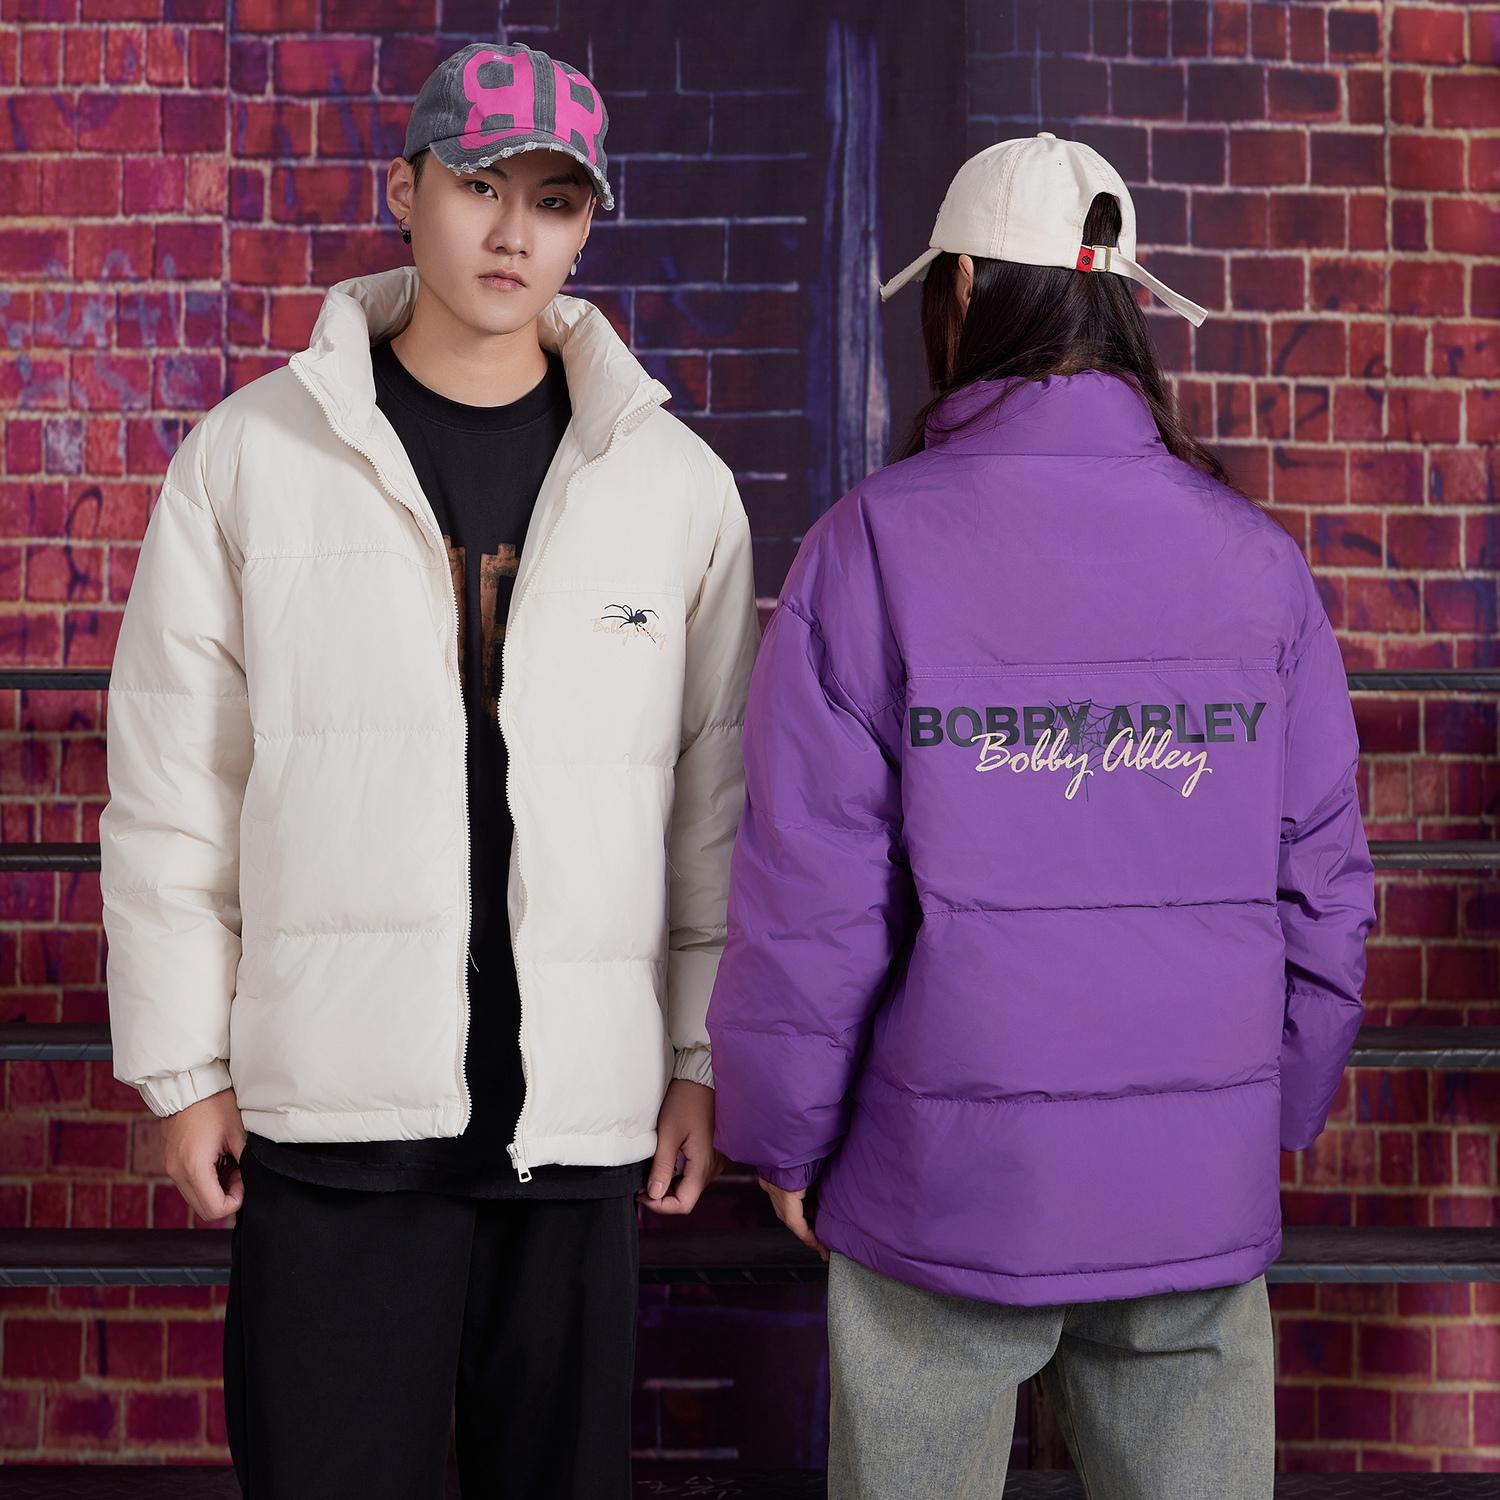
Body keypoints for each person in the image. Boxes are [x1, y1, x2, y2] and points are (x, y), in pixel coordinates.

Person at [98, 40, 758, 1499]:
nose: (514, 232)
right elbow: (174, 789)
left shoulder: (674, 488)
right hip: (337, 1121)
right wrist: (185, 1071)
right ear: (404, 191)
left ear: (586, 227)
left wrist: (699, 1058)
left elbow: (710, 810)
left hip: (575, 1120)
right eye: (478, 186)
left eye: (555, 201)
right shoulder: (249, 458)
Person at [705, 133, 1376, 1499]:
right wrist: (1263, 1115)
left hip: (942, 1184)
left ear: (960, 288)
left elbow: (813, 900)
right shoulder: (1257, 561)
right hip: (1192, 1182)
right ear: (1126, 303)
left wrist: (785, 1138)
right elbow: (1327, 890)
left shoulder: (868, 548)